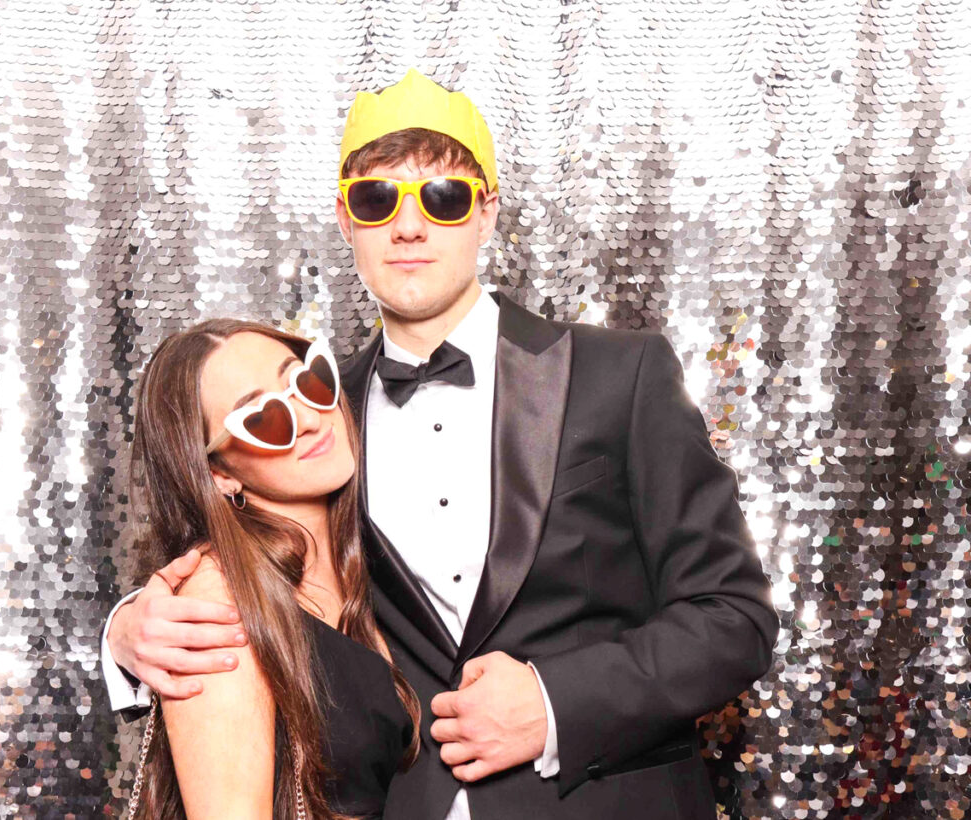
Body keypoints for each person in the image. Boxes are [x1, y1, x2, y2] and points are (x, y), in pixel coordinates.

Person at [101, 69, 779, 819]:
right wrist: (130, 633)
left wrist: (555, 703)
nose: (410, 226)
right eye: (376, 198)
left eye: (444, 197)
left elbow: (735, 616)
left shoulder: (623, 375)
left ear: (486, 214)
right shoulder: (321, 414)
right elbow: (250, 562)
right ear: (345, 217)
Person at [116, 319, 418, 818]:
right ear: (218, 474)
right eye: (262, 417)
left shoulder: (371, 565)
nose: (310, 417)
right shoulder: (217, 598)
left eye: (307, 379)